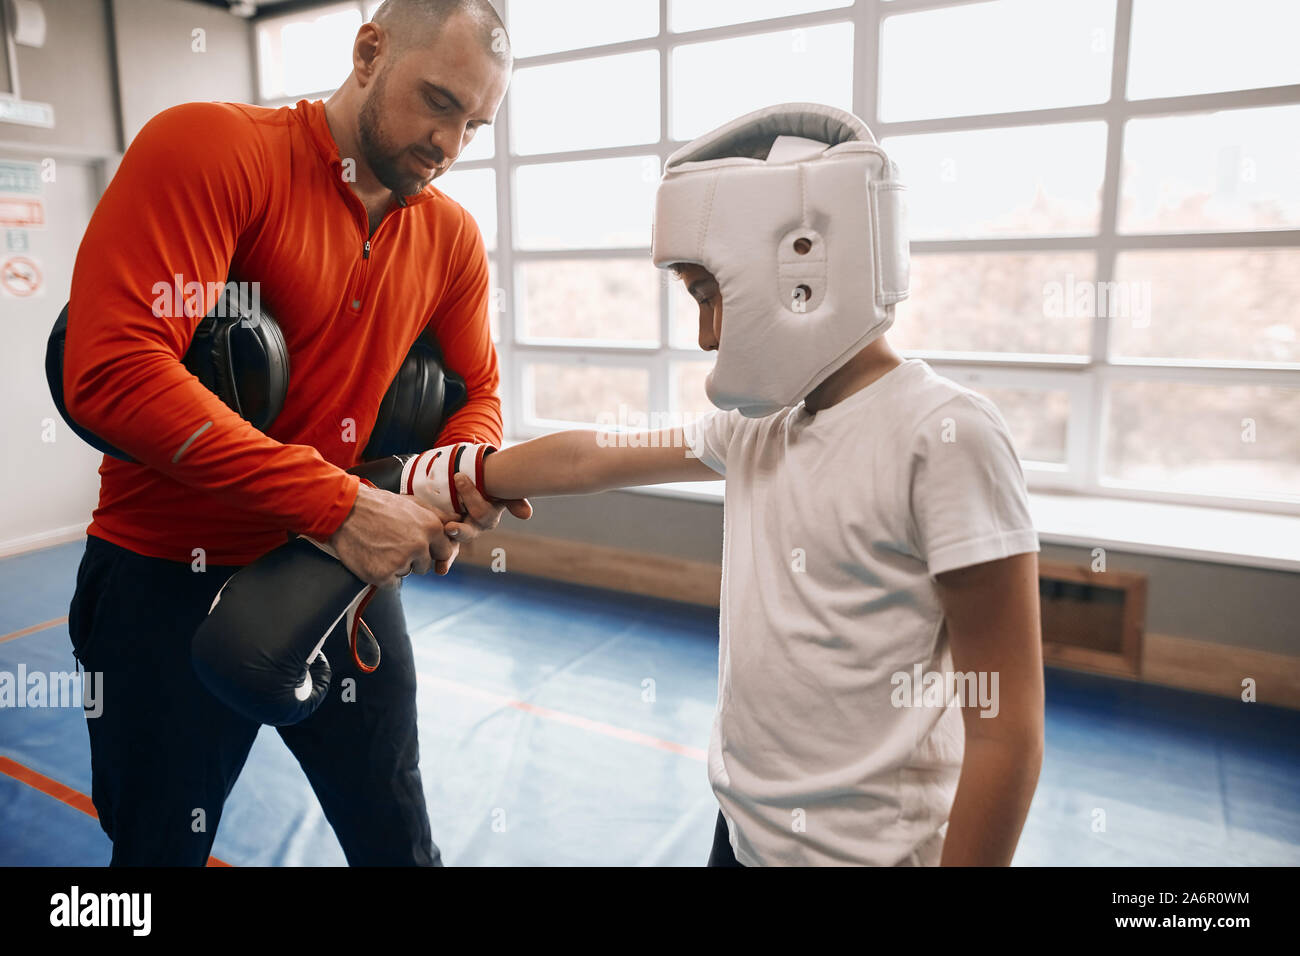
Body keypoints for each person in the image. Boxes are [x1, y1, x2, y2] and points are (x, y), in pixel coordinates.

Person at [443, 103, 1046, 866]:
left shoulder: (946, 436)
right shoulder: (759, 424)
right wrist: (453, 474)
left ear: (801, 265)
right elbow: (589, 458)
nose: (707, 335)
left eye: (707, 294)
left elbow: (1005, 729)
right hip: (744, 834)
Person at [61, 0, 527, 866]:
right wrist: (338, 501)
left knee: (397, 838)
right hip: (164, 578)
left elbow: (479, 392)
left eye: (475, 122)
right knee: (154, 854)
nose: (450, 143)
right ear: (367, 50)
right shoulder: (210, 149)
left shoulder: (450, 237)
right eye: (436, 102)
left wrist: (456, 479)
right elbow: (111, 367)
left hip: (338, 581)